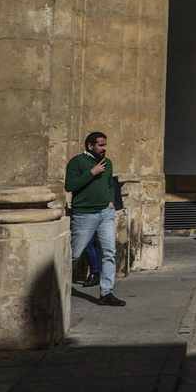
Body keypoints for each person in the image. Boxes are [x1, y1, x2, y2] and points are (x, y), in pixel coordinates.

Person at [66, 131, 125, 306]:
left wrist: (110, 200)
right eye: (101, 145)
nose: (104, 149)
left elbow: (109, 184)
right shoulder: (77, 162)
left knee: (109, 253)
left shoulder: (107, 163)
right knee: (74, 254)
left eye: (105, 145)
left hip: (105, 213)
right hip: (85, 214)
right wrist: (92, 172)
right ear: (90, 146)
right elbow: (70, 185)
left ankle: (106, 293)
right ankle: (55, 287)